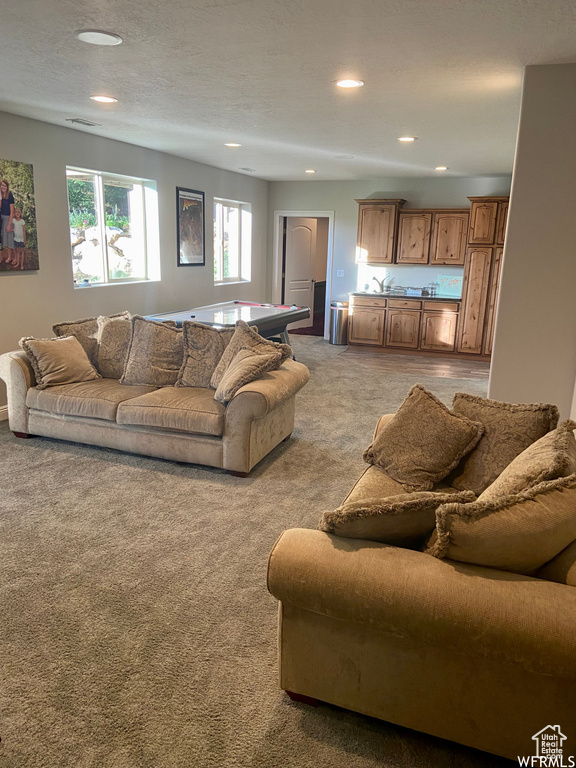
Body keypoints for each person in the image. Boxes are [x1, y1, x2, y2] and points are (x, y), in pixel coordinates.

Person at [0, 179, 15, 265]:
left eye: (4, 185)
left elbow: (12, 211)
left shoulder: (10, 195)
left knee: (10, 239)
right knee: (4, 239)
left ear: (7, 186)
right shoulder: (0, 195)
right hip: (1, 218)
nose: (3, 187)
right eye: (2, 185)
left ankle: (11, 257)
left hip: (8, 218)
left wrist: (9, 224)